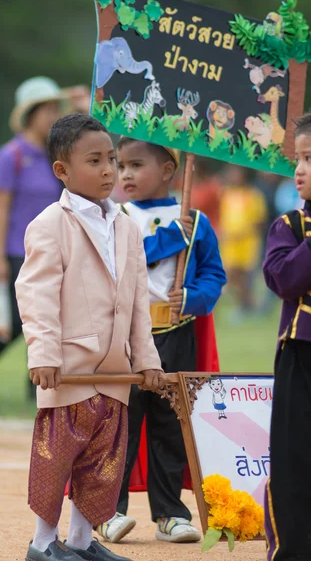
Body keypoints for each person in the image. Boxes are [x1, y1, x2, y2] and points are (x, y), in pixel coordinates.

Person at [15, 114, 164, 561]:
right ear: (62, 170)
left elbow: (139, 302)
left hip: (115, 370)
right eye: (94, 160)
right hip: (69, 369)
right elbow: (36, 293)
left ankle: (81, 541)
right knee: (56, 459)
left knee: (104, 463)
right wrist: (42, 352)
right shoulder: (49, 224)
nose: (108, 171)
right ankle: (43, 543)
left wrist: (147, 359)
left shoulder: (127, 227)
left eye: (113, 161)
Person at [96, 138, 226, 544]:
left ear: (169, 170)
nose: (125, 175)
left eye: (137, 165)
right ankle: (107, 511)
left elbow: (213, 275)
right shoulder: (114, 216)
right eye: (121, 166)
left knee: (171, 424)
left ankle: (170, 513)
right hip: (128, 339)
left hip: (175, 332)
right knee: (121, 423)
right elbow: (124, 259)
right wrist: (172, 239)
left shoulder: (196, 221)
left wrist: (191, 298)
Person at [0, 77, 64, 386]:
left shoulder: (56, 155)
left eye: (55, 109)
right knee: (16, 324)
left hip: (54, 250)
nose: (52, 117)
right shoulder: (10, 155)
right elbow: (0, 209)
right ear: (29, 114)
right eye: (46, 110)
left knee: (50, 320)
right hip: (17, 251)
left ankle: (37, 387)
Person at [263, 107, 311, 561]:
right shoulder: (291, 227)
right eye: (299, 158)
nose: (300, 169)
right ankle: (293, 549)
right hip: (302, 354)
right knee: (294, 457)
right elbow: (281, 279)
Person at [219, 165, 267, 322]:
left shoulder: (253, 195)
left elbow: (260, 220)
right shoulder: (226, 194)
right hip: (230, 244)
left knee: (246, 278)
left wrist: (245, 232)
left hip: (248, 243)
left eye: (236, 173)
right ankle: (249, 306)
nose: (233, 176)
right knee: (231, 276)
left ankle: (247, 307)